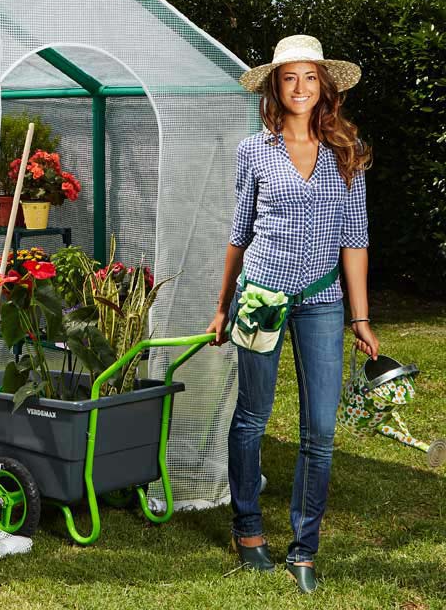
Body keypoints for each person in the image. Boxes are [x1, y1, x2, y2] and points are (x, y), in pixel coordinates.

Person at [206, 35, 380, 594]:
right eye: (289, 78)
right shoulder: (254, 151)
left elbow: (356, 238)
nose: (300, 88)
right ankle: (248, 530)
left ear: (324, 87)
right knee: (252, 418)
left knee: (320, 431)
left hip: (323, 302)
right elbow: (239, 233)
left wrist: (360, 318)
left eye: (309, 77)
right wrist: (222, 307)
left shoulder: (346, 152)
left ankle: (304, 549)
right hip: (260, 298)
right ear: (275, 88)